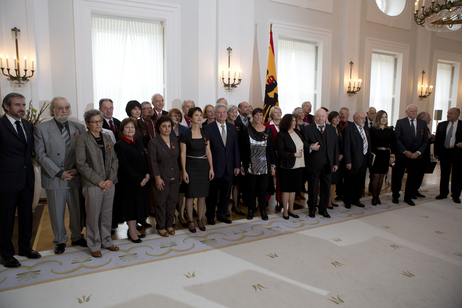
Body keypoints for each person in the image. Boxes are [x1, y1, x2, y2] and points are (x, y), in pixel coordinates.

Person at [34, 96, 87, 255]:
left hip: (74, 176)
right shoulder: (41, 129)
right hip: (55, 177)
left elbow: (84, 152)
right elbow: (40, 155)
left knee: (76, 210)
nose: (64, 111)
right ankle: (60, 240)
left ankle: (77, 236)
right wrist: (59, 172)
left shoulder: (79, 128)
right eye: (60, 108)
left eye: (67, 107)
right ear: (53, 110)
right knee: (56, 211)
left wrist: (77, 169)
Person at [0, 93, 41, 267]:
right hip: (6, 180)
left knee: (26, 216)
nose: (22, 108)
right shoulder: (0, 126)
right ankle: (6, 254)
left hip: (26, 178)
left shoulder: (28, 125)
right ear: (6, 107)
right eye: (17, 105)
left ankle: (25, 247)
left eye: (23, 105)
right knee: (6, 219)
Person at [75, 109, 119, 258]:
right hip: (92, 184)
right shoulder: (82, 139)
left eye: (100, 121)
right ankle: (93, 243)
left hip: (109, 183)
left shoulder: (107, 137)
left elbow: (114, 159)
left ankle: (106, 240)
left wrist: (111, 179)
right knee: (93, 216)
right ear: (88, 124)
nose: (98, 124)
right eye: (94, 122)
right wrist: (99, 181)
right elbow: (81, 164)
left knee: (107, 214)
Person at [114, 118, 150, 242]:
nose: (130, 130)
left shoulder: (139, 142)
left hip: (142, 181)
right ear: (122, 130)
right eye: (127, 127)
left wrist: (147, 175)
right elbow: (124, 166)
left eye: (132, 127)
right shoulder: (119, 145)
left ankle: (134, 229)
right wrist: (139, 179)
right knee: (131, 207)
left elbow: (145, 159)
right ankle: (131, 231)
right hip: (129, 182)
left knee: (138, 206)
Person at [204, 104, 240, 225]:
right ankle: (210, 215)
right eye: (219, 112)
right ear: (215, 114)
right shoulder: (208, 128)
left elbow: (236, 148)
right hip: (214, 168)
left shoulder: (232, 128)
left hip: (229, 167)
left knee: (226, 193)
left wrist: (237, 165)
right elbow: (207, 150)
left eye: (224, 112)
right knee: (212, 194)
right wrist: (210, 168)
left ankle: (221, 214)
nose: (222, 114)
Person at [180, 107, 214, 233]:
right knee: (190, 196)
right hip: (191, 166)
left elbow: (208, 152)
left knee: (202, 196)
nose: (199, 117)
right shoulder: (185, 134)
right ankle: (190, 220)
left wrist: (211, 168)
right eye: (196, 115)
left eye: (200, 115)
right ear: (190, 118)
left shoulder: (205, 133)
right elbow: (182, 154)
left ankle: (200, 219)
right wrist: (184, 171)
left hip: (204, 166)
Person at [241, 108, 276, 221]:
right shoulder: (246, 130)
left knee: (262, 189)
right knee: (251, 189)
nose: (259, 117)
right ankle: (251, 210)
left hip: (265, 166)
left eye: (261, 115)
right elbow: (242, 149)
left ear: (263, 117)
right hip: (250, 165)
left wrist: (273, 166)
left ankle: (262, 210)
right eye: (256, 115)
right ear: (253, 116)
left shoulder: (269, 131)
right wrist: (242, 164)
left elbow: (271, 150)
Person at [149, 116, 181, 236]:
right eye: (164, 126)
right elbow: (153, 162)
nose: (167, 128)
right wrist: (157, 177)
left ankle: (169, 225)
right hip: (161, 177)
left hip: (175, 176)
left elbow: (177, 159)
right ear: (159, 127)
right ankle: (161, 226)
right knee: (161, 203)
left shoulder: (174, 139)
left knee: (172, 201)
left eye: (169, 126)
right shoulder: (154, 142)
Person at [304, 109, 339, 218]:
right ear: (314, 117)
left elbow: (335, 147)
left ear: (326, 117)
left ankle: (323, 209)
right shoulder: (308, 129)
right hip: (313, 163)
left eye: (323, 116)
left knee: (326, 187)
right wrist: (310, 147)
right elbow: (303, 144)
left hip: (328, 163)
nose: (320, 118)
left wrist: (335, 163)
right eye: (318, 116)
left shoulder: (331, 129)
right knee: (313, 187)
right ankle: (312, 209)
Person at [392, 104, 428, 206]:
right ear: (406, 112)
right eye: (411, 111)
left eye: (415, 111)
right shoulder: (400, 122)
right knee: (398, 176)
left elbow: (425, 140)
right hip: (403, 155)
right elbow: (397, 139)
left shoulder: (423, 123)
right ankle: (395, 196)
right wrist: (405, 151)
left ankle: (408, 197)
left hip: (416, 156)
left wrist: (418, 153)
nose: (414, 113)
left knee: (413, 177)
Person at [276, 114, 305, 219]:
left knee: (293, 189)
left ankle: (291, 209)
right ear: (286, 122)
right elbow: (281, 152)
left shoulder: (297, 132)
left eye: (295, 121)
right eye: (292, 121)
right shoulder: (281, 135)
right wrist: (294, 154)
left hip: (298, 165)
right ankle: (285, 212)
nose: (294, 123)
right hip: (287, 165)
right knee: (286, 189)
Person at [343, 111, 371, 208]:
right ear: (355, 118)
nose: (364, 120)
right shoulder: (348, 129)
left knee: (360, 180)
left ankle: (356, 199)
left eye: (364, 118)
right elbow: (346, 147)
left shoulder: (366, 128)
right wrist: (348, 161)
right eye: (362, 118)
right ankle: (347, 200)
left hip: (364, 159)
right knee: (350, 181)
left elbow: (368, 143)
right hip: (353, 160)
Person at [434, 107, 462, 203]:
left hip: (457, 153)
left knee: (457, 175)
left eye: (450, 113)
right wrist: (436, 153)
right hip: (445, 152)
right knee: (444, 174)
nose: (448, 115)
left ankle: (456, 195)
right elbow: (437, 140)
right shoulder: (441, 125)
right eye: (448, 113)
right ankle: (443, 193)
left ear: (457, 115)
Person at [369, 110, 396, 205]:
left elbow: (393, 144)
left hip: (386, 154)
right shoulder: (373, 129)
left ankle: (378, 196)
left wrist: (392, 156)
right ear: (378, 118)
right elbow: (370, 144)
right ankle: (374, 196)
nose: (384, 119)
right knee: (375, 176)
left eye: (386, 117)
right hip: (376, 154)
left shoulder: (390, 130)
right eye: (382, 117)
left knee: (381, 176)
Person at [226, 104, 245, 214]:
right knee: (227, 184)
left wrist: (240, 163)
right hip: (226, 158)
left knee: (236, 184)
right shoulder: (223, 125)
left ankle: (235, 205)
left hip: (237, 158)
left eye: (235, 112)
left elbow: (241, 145)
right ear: (227, 113)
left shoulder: (239, 125)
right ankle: (226, 207)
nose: (234, 114)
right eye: (232, 112)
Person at [264, 106, 283, 206]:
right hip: (270, 155)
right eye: (276, 112)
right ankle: (266, 198)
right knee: (268, 178)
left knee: (281, 178)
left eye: (279, 112)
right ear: (271, 114)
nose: (278, 114)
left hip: (282, 156)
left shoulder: (284, 125)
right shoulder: (266, 125)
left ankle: (280, 199)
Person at [414, 111, 434, 198]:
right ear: (422, 118)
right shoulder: (417, 126)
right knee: (415, 173)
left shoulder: (427, 127)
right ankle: (412, 190)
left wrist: (432, 138)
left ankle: (416, 190)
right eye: (428, 117)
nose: (430, 119)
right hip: (418, 154)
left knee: (421, 173)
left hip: (425, 154)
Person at [336, 107, 353, 200]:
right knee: (339, 176)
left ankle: (347, 194)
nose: (343, 116)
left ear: (348, 115)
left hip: (348, 155)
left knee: (348, 176)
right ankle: (338, 193)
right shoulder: (336, 126)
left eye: (345, 114)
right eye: (341, 114)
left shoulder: (351, 126)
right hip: (338, 155)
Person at [327, 111, 343, 208]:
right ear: (331, 119)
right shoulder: (329, 129)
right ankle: (327, 200)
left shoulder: (340, 129)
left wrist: (341, 154)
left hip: (338, 158)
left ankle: (332, 199)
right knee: (329, 180)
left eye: (338, 117)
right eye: (335, 117)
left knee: (334, 180)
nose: (337, 119)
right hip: (331, 158)